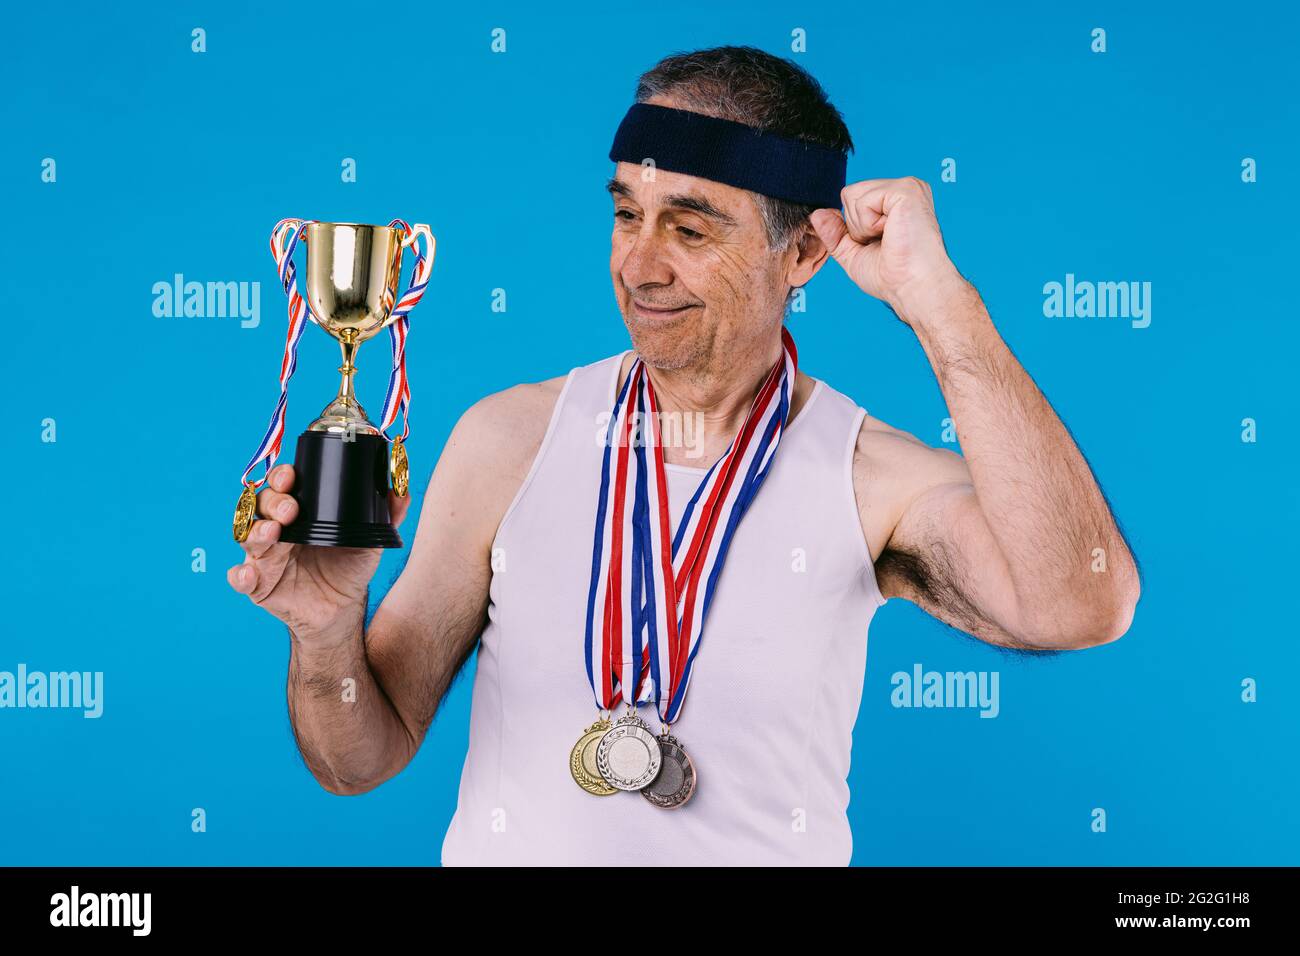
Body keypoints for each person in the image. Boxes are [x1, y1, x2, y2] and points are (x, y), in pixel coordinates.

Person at [228, 46, 1140, 866]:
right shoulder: (509, 440)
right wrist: (325, 633)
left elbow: (1082, 603)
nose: (641, 265)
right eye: (629, 215)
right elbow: (359, 761)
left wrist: (940, 306)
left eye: (692, 228)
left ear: (805, 255)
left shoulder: (871, 481)